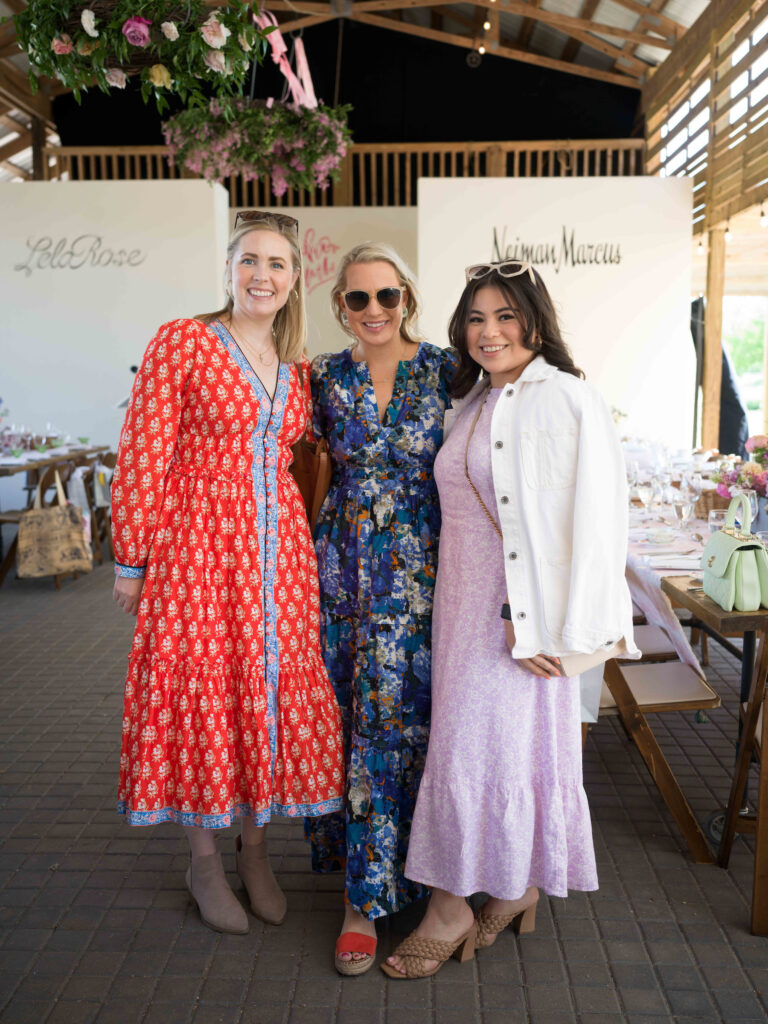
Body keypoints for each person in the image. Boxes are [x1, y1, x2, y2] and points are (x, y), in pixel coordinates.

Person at [383, 259, 637, 979]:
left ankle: (450, 905)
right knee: (489, 747)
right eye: (475, 318)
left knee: (481, 747)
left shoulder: (566, 399)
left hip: (515, 616)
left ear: (534, 320)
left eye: (504, 316)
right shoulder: (471, 400)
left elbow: (594, 523)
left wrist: (541, 622)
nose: (488, 332)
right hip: (460, 606)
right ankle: (516, 883)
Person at [111, 211, 344, 935]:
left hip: (278, 557)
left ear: (294, 277)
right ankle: (204, 859)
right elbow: (144, 450)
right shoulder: (185, 341)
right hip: (198, 550)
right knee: (202, 688)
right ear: (228, 266)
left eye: (276, 263)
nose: (261, 276)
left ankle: (255, 850)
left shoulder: (297, 364)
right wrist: (131, 558)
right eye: (249, 260)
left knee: (265, 691)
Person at [306, 243, 457, 974]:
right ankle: (358, 901)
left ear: (408, 300)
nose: (374, 311)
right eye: (358, 299)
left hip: (427, 574)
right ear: (340, 305)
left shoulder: (445, 369)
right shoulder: (323, 377)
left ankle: (433, 879)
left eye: (386, 297)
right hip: (344, 576)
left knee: (422, 724)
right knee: (358, 727)